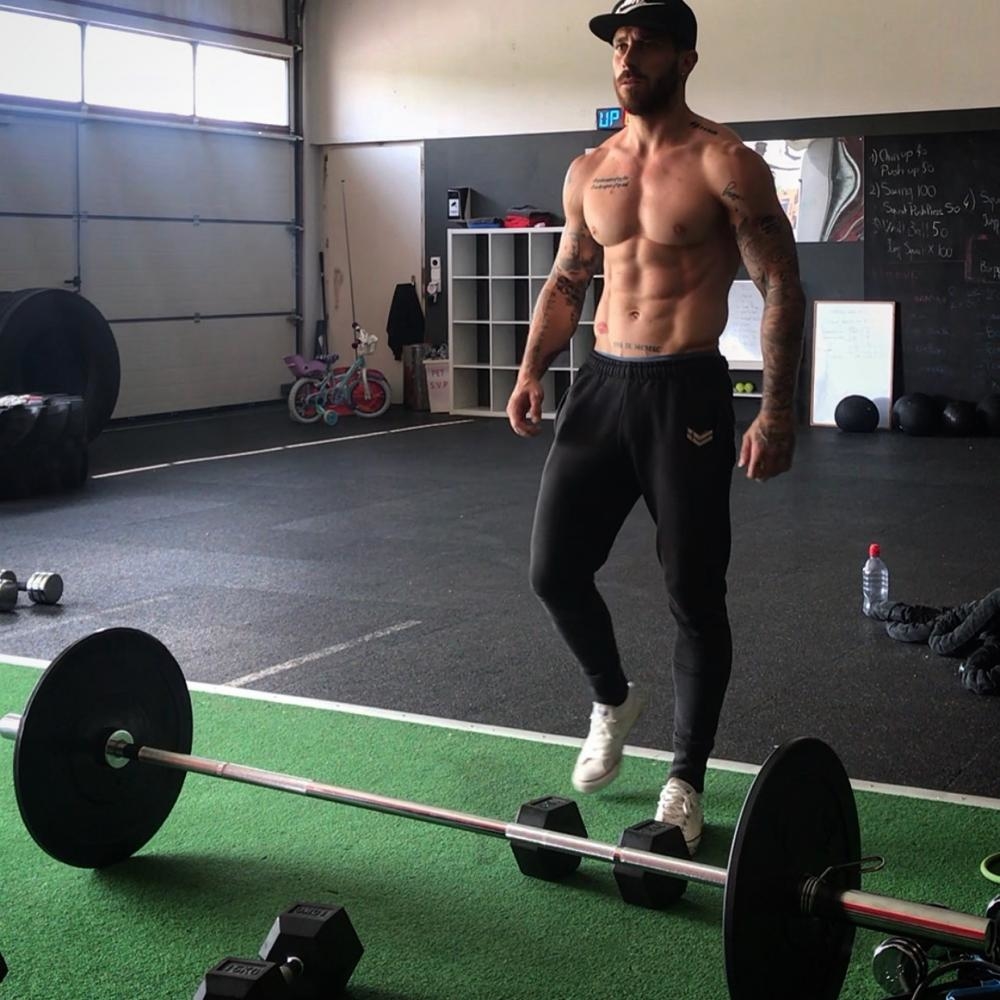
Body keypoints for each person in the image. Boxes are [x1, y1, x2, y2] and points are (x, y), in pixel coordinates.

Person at [505, 0, 805, 855]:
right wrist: (530, 370)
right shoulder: (589, 169)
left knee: (694, 594)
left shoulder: (726, 163)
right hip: (601, 385)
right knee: (554, 570)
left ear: (686, 59)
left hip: (686, 392)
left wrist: (776, 409)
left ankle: (685, 779)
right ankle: (612, 697)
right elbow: (569, 278)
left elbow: (781, 285)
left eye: (646, 44)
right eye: (620, 43)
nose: (627, 56)